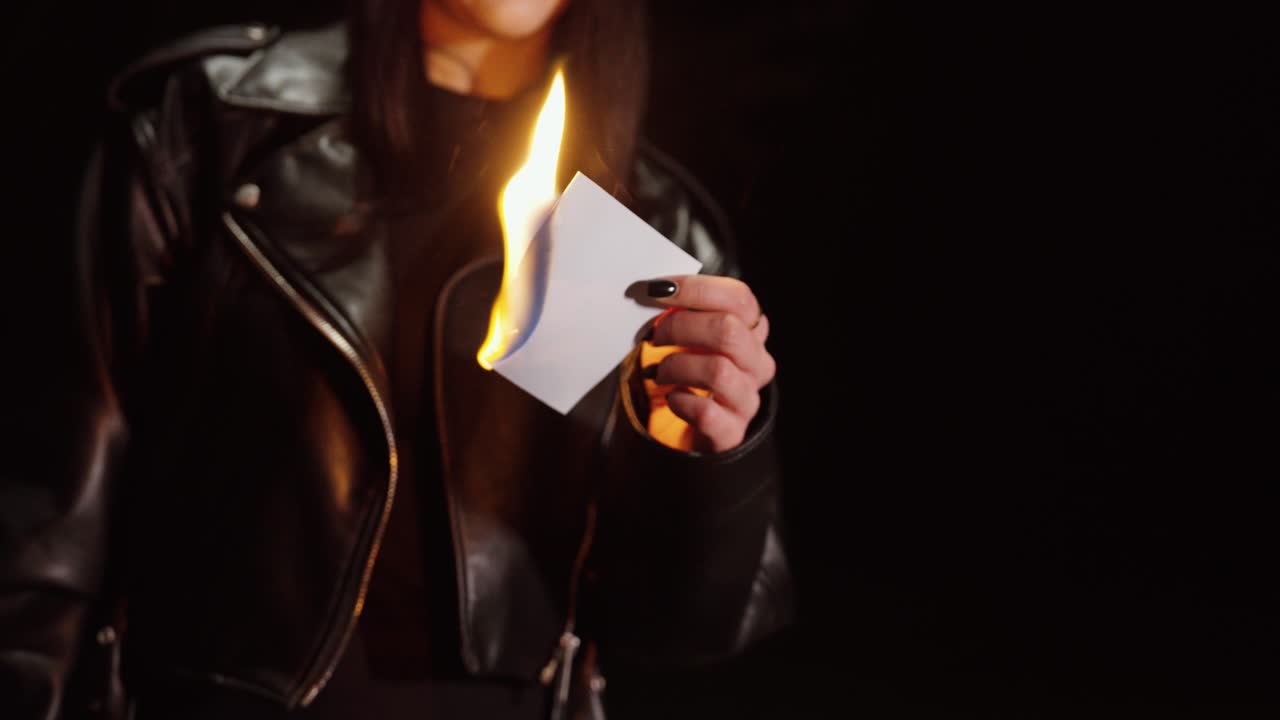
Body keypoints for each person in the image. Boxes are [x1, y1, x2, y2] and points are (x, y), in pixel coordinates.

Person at [0, 0, 791, 717]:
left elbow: (686, 629)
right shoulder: (208, 124)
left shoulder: (662, 239)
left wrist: (702, 462)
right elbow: (49, 521)